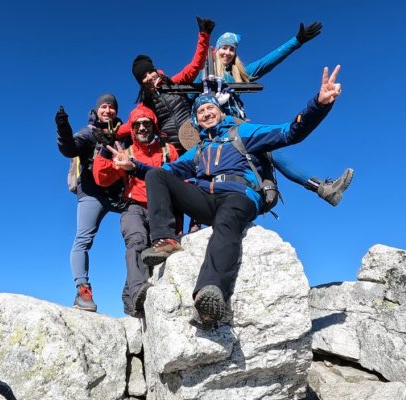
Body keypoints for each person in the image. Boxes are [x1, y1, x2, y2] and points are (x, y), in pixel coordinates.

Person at [110, 66, 343, 328]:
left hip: (238, 195)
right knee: (156, 177)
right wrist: (134, 167)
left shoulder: (242, 133)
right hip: (206, 199)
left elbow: (290, 132)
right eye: (200, 111)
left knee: (226, 226)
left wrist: (319, 105)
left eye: (211, 108)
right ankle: (166, 239)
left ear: (220, 112)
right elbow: (165, 172)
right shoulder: (198, 150)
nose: (206, 112)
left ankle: (210, 292)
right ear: (196, 120)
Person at [207, 24, 353, 206]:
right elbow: (188, 96)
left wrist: (297, 41)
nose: (227, 52)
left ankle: (322, 188)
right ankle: (322, 188)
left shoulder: (239, 74)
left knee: (270, 151)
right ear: (216, 50)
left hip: (238, 127)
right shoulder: (206, 74)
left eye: (231, 49)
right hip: (220, 131)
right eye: (224, 48)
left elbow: (268, 61)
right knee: (275, 138)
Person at [92, 105, 179, 318]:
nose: (142, 127)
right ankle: (139, 292)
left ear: (153, 126)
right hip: (134, 208)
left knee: (154, 256)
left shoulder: (169, 151)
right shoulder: (126, 152)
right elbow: (101, 178)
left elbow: (180, 182)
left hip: (163, 211)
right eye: (137, 124)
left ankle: (129, 300)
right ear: (132, 128)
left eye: (146, 123)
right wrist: (105, 148)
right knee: (137, 242)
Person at [56, 93, 125, 312]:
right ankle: (83, 290)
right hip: (91, 194)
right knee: (83, 240)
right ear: (97, 110)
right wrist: (63, 129)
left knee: (143, 222)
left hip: (118, 195)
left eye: (112, 107)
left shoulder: (123, 135)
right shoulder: (88, 133)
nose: (108, 110)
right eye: (104, 106)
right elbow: (69, 148)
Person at [118, 16, 215, 151]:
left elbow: (195, 66)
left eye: (150, 72)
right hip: (172, 148)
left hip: (194, 138)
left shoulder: (174, 83)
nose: (149, 77)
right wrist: (112, 133)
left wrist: (204, 35)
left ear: (156, 71)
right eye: (143, 77)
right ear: (141, 83)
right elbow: (131, 123)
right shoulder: (146, 103)